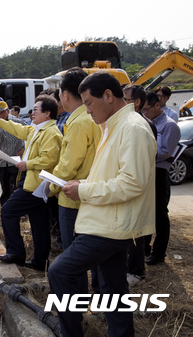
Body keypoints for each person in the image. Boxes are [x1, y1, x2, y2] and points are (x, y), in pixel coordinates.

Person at [48, 71, 156, 337]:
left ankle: (71, 333)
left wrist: (83, 189)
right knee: (113, 289)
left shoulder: (132, 128)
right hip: (109, 221)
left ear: (108, 96)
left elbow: (132, 183)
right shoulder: (114, 126)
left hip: (111, 226)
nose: (87, 110)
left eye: (88, 103)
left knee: (60, 271)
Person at [0, 95, 62, 271]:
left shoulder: (51, 133)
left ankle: (16, 252)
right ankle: (40, 261)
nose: (32, 112)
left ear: (47, 113)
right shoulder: (37, 129)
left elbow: (49, 159)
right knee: (39, 223)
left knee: (8, 211)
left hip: (35, 185)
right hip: (31, 181)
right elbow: (19, 130)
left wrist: (26, 164)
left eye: (36, 109)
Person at [49, 68, 101, 251]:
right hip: (91, 191)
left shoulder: (78, 122)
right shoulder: (94, 117)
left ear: (65, 95)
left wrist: (53, 186)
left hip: (73, 197)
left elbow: (69, 165)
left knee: (73, 255)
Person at [122, 84, 158, 286]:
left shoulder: (142, 125)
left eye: (125, 99)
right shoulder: (129, 122)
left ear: (136, 102)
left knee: (136, 231)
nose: (122, 102)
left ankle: (137, 272)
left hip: (139, 185)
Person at [142, 91, 181, 265]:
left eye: (146, 109)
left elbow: (166, 151)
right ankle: (145, 247)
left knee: (159, 214)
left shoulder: (169, 125)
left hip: (159, 172)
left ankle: (159, 253)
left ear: (157, 105)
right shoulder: (145, 123)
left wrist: (145, 153)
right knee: (146, 211)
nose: (145, 113)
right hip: (147, 172)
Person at [0, 101, 27, 205]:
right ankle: (5, 209)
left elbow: (31, 138)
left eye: (3, 112)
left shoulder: (19, 123)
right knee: (4, 186)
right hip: (1, 162)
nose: (1, 115)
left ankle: (19, 209)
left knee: (16, 186)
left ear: (8, 111)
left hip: (16, 161)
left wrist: (25, 149)